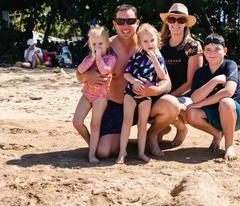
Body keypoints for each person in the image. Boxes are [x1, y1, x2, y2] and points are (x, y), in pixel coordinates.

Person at [76, 4, 177, 160]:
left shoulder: (147, 42)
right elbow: (80, 72)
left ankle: (152, 134)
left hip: (143, 101)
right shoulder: (106, 45)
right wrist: (86, 76)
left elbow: (167, 82)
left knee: (172, 105)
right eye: (120, 21)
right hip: (116, 106)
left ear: (137, 23)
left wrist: (154, 90)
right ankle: (102, 142)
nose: (125, 26)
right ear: (114, 24)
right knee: (103, 152)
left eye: (130, 21)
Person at [186, 33, 240, 161]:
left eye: (217, 49)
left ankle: (229, 145)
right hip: (214, 114)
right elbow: (195, 98)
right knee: (191, 112)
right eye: (208, 49)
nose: (212, 53)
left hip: (236, 113)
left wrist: (201, 103)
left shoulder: (230, 65)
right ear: (203, 52)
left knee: (225, 102)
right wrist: (214, 81)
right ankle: (217, 133)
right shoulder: (201, 72)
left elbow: (228, 92)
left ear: (225, 51)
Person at [117, 24, 167, 164]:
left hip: (146, 97)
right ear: (139, 43)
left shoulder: (159, 59)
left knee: (142, 124)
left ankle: (141, 153)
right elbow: (126, 74)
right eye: (145, 41)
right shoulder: (136, 57)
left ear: (157, 40)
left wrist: (155, 60)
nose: (149, 44)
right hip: (130, 94)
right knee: (126, 122)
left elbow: (162, 75)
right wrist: (134, 81)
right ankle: (122, 153)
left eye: (152, 40)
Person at [157, 3, 203, 150]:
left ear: (186, 24)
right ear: (167, 22)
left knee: (169, 104)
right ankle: (162, 128)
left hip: (185, 95)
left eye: (181, 20)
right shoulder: (159, 44)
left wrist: (169, 97)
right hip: (163, 91)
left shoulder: (192, 46)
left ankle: (181, 128)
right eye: (172, 19)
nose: (176, 23)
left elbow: (191, 82)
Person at [74, 26, 117, 163]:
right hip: (87, 94)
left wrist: (98, 58)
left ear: (107, 44)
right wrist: (92, 58)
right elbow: (80, 70)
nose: (97, 47)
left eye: (100, 44)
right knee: (77, 122)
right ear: (89, 45)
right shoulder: (89, 58)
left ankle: (92, 155)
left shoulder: (111, 58)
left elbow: (105, 71)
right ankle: (92, 144)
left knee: (95, 124)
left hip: (101, 96)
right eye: (94, 44)